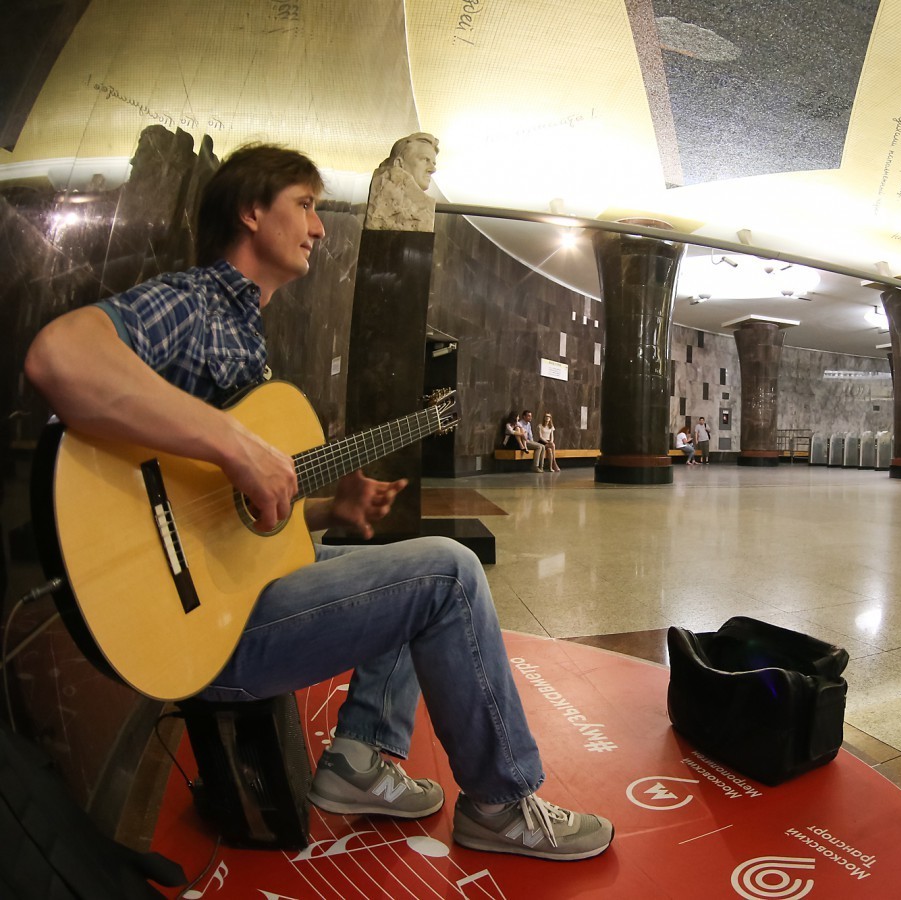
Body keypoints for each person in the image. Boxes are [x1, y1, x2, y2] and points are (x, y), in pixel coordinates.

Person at [23, 144, 613, 861]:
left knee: (401, 560)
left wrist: (329, 513)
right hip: (201, 631)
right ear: (250, 210)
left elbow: (226, 520)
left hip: (227, 598)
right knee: (448, 574)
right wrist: (239, 447)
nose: (321, 226)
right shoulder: (199, 301)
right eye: (304, 203)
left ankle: (359, 755)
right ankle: (500, 804)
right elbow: (59, 358)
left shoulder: (244, 334)